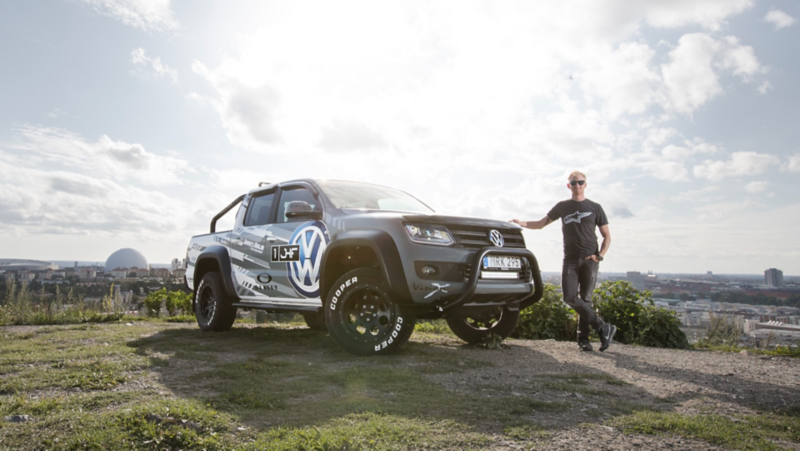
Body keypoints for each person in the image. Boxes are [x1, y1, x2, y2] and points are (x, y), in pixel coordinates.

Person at [510, 171, 616, 352]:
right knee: (569, 297)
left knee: (586, 300)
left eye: (580, 182)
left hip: (590, 260)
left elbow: (606, 236)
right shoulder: (562, 207)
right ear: (569, 186)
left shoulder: (595, 207)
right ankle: (603, 327)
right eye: (574, 183)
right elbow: (541, 223)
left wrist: (599, 256)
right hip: (570, 260)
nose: (577, 186)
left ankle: (583, 340)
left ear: (586, 184)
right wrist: (521, 222)